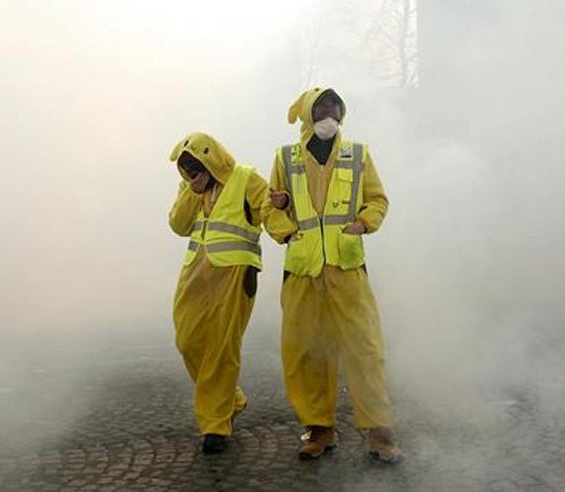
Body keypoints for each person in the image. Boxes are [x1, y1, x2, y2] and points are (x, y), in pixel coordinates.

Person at [264, 87, 403, 463]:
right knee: (306, 350)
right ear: (308, 113)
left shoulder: (358, 155)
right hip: (303, 272)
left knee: (365, 347)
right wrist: (286, 228)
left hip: (347, 268)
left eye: (336, 106)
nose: (331, 112)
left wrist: (363, 223)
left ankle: (379, 430)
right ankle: (319, 428)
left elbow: (377, 199)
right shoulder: (285, 157)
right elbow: (269, 207)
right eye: (323, 106)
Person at [168, 132, 267, 454]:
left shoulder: (245, 178)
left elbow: (271, 209)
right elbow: (179, 226)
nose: (191, 174)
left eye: (196, 168)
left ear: (211, 160)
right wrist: (192, 191)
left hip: (235, 274)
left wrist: (287, 231)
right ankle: (231, 399)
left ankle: (215, 425)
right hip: (196, 274)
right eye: (186, 170)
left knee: (222, 349)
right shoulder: (191, 188)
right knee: (187, 341)